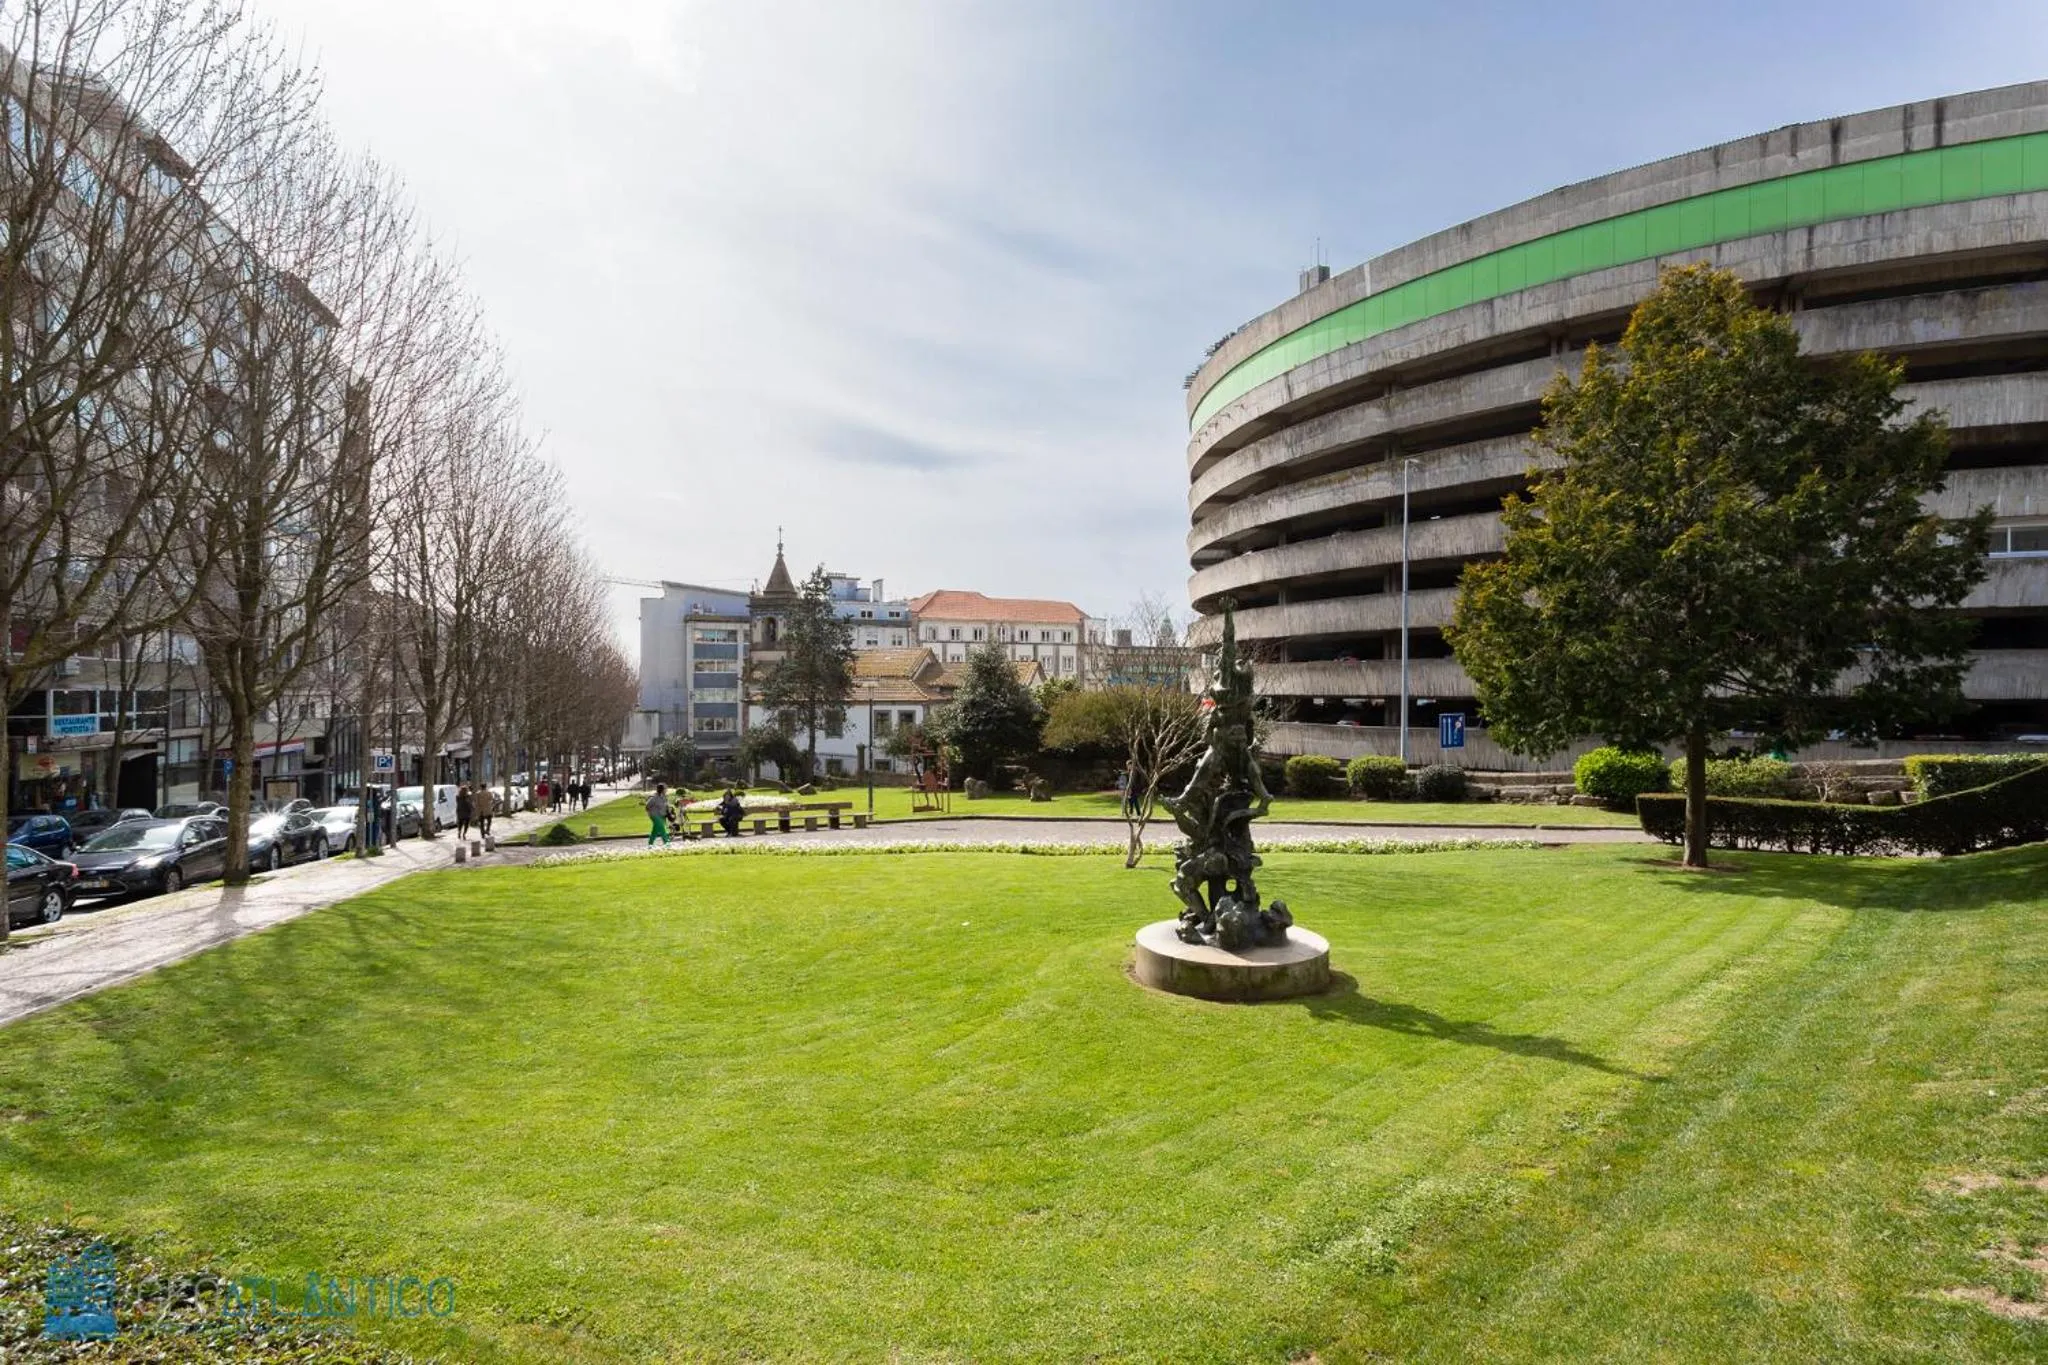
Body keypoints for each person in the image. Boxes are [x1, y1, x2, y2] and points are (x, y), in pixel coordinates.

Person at [645, 783, 671, 847]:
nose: (666, 790)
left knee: (655, 830)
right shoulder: (654, 797)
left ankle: (650, 844)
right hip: (654, 815)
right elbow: (647, 806)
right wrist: (650, 812)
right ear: (662, 790)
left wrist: (669, 811)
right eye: (665, 789)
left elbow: (666, 806)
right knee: (662, 829)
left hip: (662, 816)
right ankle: (667, 843)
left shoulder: (664, 797)